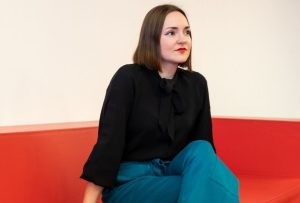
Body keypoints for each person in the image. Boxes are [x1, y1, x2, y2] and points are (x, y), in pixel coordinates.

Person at [81, 4, 239, 203]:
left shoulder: (197, 84)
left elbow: (205, 156)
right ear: (152, 38)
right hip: (131, 183)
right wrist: (89, 199)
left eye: (187, 32)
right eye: (171, 33)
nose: (183, 39)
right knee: (220, 187)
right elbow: (109, 144)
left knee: (202, 149)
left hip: (173, 173)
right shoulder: (128, 78)